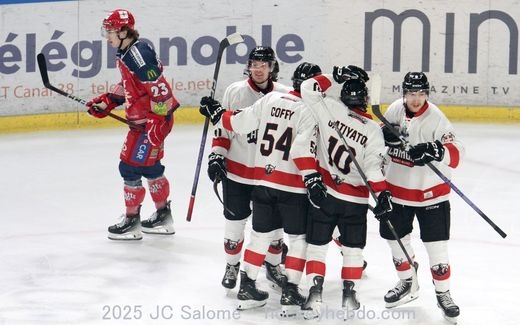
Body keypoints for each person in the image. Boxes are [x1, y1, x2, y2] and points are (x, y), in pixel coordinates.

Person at [200, 62, 322, 314]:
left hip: (263, 183)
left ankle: (247, 288)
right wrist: (312, 178)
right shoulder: (313, 112)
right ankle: (290, 290)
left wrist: (217, 113)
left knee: (259, 236)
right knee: (298, 239)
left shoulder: (271, 99)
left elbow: (238, 123)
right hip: (293, 186)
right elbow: (305, 151)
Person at [298, 66, 391, 319]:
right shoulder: (373, 130)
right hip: (355, 201)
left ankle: (314, 295)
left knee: (317, 247)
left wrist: (334, 74)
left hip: (325, 193)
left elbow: (307, 88)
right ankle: (349, 298)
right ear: (365, 101)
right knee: (353, 251)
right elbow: (373, 169)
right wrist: (382, 195)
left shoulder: (330, 106)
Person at [86, 9, 179, 240]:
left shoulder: (137, 55)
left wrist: (157, 121)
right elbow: (131, 84)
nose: (107, 37)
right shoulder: (128, 51)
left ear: (124, 31)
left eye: (110, 32)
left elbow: (161, 90)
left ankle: (131, 221)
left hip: (150, 123)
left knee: (129, 167)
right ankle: (163, 217)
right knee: (150, 167)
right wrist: (109, 100)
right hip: (147, 121)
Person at [379, 72, 464, 323]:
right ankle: (408, 282)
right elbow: (382, 132)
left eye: (421, 94)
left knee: (436, 250)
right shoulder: (395, 109)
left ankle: (443, 293)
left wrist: (436, 150)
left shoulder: (436, 118)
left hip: (431, 196)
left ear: (427, 94)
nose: (416, 99)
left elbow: (457, 152)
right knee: (396, 243)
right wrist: (384, 132)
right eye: (411, 94)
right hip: (396, 192)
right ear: (403, 93)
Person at [207, 46, 290, 291]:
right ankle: (232, 265)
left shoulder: (284, 95)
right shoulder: (235, 91)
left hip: (270, 175)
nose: (258, 69)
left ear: (272, 67)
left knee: (275, 228)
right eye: (254, 64)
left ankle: (273, 265)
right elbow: (223, 129)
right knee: (234, 225)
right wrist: (216, 156)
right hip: (238, 172)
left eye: (263, 65)